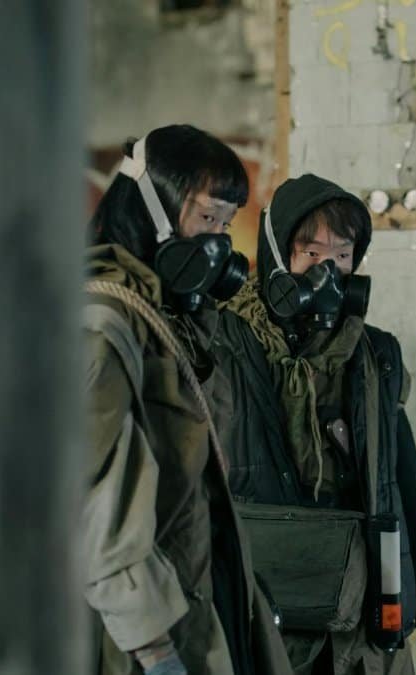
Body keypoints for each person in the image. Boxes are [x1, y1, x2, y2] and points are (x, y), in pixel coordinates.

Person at [210, 174, 416, 675]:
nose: (328, 272)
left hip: (359, 626)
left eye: (342, 255)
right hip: (262, 616)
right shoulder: (220, 345)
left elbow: (402, 485)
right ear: (278, 256)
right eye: (311, 253)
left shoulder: (375, 356)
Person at [82, 124, 291, 675]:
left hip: (200, 599)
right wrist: (153, 649)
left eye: (227, 224)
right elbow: (96, 504)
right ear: (153, 209)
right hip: (142, 637)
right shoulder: (105, 324)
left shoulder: (170, 319)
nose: (220, 242)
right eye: (207, 219)